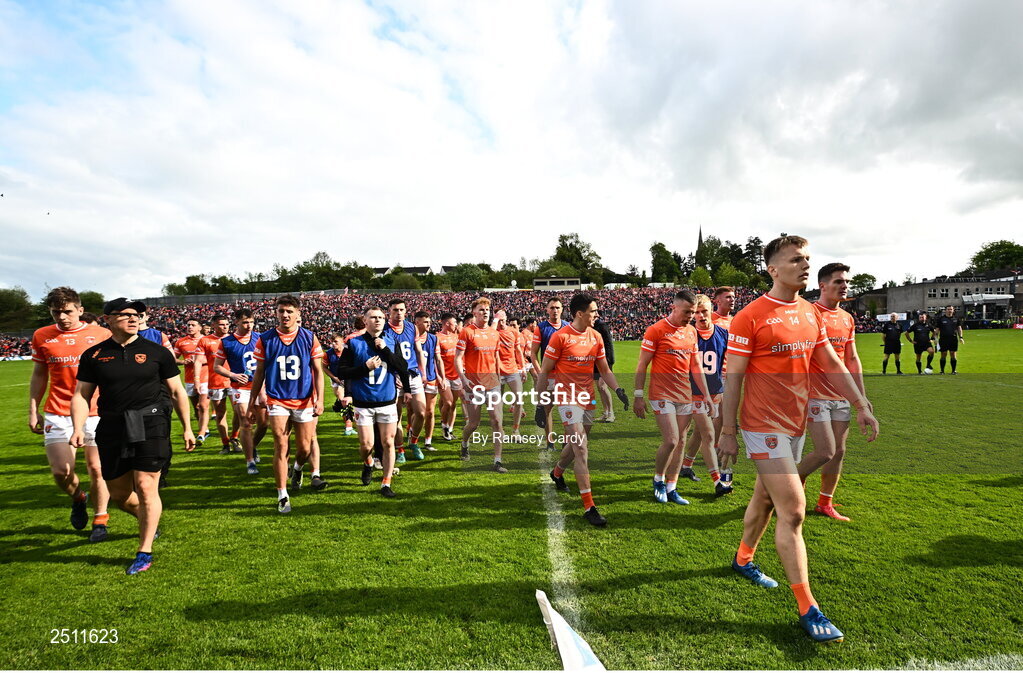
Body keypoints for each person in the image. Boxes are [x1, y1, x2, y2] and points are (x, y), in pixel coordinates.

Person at [718, 235, 879, 643]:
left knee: (764, 499)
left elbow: (833, 362)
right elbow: (732, 377)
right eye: (795, 260)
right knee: (793, 510)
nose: (805, 266)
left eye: (807, 259)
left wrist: (861, 404)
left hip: (795, 423)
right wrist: (727, 430)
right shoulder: (750, 316)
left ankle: (743, 559)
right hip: (762, 426)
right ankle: (809, 607)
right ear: (773, 269)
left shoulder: (811, 312)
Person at [72, 298, 195, 575]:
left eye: (137, 314)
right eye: (126, 314)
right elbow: (82, 395)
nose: (134, 318)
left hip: (151, 422)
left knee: (146, 485)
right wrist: (78, 427)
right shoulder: (93, 355)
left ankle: (144, 551)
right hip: (112, 426)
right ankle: (148, 518)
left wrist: (187, 427)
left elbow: (176, 392)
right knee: (119, 495)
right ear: (108, 319)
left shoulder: (157, 352)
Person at [28, 286, 112, 542]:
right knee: (61, 472)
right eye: (56, 312)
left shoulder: (102, 334)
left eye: (67, 312)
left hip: (97, 410)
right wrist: (33, 409)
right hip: (58, 411)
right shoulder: (42, 335)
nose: (62, 317)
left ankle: (100, 520)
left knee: (97, 468)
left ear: (80, 310)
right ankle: (79, 498)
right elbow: (39, 374)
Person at [540, 293, 629, 526]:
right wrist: (541, 404)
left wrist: (618, 390)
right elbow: (544, 371)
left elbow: (604, 369)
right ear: (579, 314)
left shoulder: (596, 336)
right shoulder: (560, 338)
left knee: (576, 443)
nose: (597, 315)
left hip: (587, 397)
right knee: (581, 448)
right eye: (593, 311)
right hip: (566, 398)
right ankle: (589, 506)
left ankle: (557, 472)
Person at [798, 263, 865, 522]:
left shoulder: (847, 318)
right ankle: (794, 479)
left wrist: (860, 396)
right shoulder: (809, 313)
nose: (844, 286)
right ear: (822, 286)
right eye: (838, 281)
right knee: (825, 451)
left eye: (846, 281)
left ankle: (824, 503)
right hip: (813, 394)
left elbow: (852, 358)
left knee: (839, 451)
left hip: (841, 395)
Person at [248, 295, 326, 513]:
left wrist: (319, 399)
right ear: (276, 313)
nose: (285, 315)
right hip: (277, 398)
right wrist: (252, 402)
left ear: (298, 314)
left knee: (304, 448)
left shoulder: (310, 337)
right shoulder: (265, 339)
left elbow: (318, 372)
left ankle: (299, 468)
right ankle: (282, 494)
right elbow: (259, 373)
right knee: (281, 445)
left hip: (303, 399)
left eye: (290, 311)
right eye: (281, 311)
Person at [633, 290, 710, 506]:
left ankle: (672, 487)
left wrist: (706, 396)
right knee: (671, 440)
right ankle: (658, 480)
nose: (690, 316)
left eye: (692, 313)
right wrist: (638, 395)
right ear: (674, 307)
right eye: (687, 312)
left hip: (684, 394)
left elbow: (696, 366)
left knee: (681, 441)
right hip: (661, 393)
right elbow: (642, 365)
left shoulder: (691, 332)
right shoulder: (656, 330)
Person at [335, 306, 411, 497]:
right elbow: (342, 372)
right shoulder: (353, 343)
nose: (377, 320)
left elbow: (402, 367)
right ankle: (368, 463)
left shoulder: (391, 341)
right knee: (366, 445)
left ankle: (386, 483)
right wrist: (364, 367)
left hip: (386, 400)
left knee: (388, 442)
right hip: (363, 402)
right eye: (373, 317)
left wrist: (385, 350)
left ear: (384, 321)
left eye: (380, 317)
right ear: (365, 321)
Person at [678, 294, 732, 496]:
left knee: (698, 433)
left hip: (715, 390)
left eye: (704, 311)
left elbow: (728, 361)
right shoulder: (687, 334)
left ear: (711, 311)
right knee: (708, 434)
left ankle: (685, 466)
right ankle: (718, 481)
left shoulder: (723, 334)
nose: (701, 316)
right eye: (697, 312)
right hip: (693, 392)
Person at [455, 297, 507, 471]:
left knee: (497, 422)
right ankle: (464, 443)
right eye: (481, 310)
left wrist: (499, 378)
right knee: (474, 424)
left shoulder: (494, 333)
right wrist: (463, 379)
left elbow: (496, 357)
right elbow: (458, 358)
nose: (485, 313)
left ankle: (497, 460)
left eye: (487, 310)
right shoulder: (467, 332)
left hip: (492, 384)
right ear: (474, 312)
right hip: (473, 386)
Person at [214, 308, 266, 475]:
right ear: (236, 322)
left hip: (259, 386)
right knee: (245, 422)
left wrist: (264, 387)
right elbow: (217, 366)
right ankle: (250, 461)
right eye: (245, 322)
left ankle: (252, 447)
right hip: (239, 388)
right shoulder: (227, 342)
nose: (249, 325)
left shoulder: (260, 338)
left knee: (264, 423)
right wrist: (233, 375)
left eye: (251, 322)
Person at [384, 299, 428, 462]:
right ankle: (400, 448)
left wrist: (423, 373)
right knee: (396, 416)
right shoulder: (385, 329)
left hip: (413, 374)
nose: (399, 313)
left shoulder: (412, 327)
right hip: (394, 377)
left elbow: (418, 350)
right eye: (395, 310)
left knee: (422, 412)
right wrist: (392, 374)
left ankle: (414, 441)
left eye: (402, 309)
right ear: (389, 311)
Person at [532, 298, 570, 449]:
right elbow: (533, 353)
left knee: (568, 409)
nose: (555, 310)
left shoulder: (569, 327)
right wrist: (540, 372)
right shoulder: (541, 328)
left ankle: (566, 441)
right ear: (547, 310)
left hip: (566, 376)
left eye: (558, 307)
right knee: (548, 408)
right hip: (549, 375)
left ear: (562, 309)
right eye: (552, 307)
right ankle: (550, 442)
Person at [196, 315, 233, 454]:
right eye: (221, 324)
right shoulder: (205, 340)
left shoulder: (233, 339)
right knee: (220, 414)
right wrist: (197, 379)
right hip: (215, 382)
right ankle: (225, 444)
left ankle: (235, 437)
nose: (225, 327)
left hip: (234, 381)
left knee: (241, 413)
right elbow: (198, 361)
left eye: (227, 324)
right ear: (214, 326)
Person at [173, 318, 210, 445]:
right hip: (189, 378)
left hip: (206, 377)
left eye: (193, 325)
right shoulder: (181, 342)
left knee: (203, 406)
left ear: (200, 327)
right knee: (196, 408)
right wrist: (183, 362)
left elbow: (216, 358)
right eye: (188, 324)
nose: (189, 327)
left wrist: (202, 361)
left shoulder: (208, 340)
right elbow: (173, 359)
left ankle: (201, 434)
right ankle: (205, 428)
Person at [414, 311, 448, 451]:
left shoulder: (433, 339)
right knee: (415, 412)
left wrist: (442, 377)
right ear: (417, 322)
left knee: (430, 412)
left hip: (431, 378)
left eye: (429, 321)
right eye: (426, 322)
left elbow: (438, 359)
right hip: (415, 379)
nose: (429, 324)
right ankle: (413, 434)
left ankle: (428, 441)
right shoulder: (411, 338)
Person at [494, 310, 525, 440]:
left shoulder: (514, 332)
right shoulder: (492, 332)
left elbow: (518, 351)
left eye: (503, 319)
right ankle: (500, 429)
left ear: (506, 318)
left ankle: (515, 430)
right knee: (497, 403)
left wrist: (522, 367)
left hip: (512, 370)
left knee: (519, 399)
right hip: (497, 371)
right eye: (498, 319)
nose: (501, 322)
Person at [436, 313, 461, 441]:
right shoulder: (437, 338)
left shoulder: (456, 337)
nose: (456, 325)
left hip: (456, 375)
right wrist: (439, 376)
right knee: (448, 402)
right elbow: (435, 359)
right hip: (444, 376)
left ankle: (450, 429)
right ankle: (444, 426)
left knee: (453, 404)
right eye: (454, 322)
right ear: (447, 323)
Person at [593, 316, 616, 423]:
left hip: (604, 361)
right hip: (595, 361)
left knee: (602, 386)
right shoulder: (590, 326)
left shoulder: (602, 326)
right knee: (599, 387)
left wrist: (609, 360)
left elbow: (608, 344)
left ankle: (611, 413)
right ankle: (606, 412)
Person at [935, 305, 964, 374]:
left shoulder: (956, 319)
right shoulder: (941, 319)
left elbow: (959, 328)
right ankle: (942, 371)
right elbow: (937, 330)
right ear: (945, 310)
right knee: (943, 354)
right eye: (948, 309)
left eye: (951, 309)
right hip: (943, 339)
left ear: (953, 310)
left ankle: (954, 371)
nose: (949, 311)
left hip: (953, 339)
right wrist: (935, 338)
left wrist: (961, 337)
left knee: (953, 354)